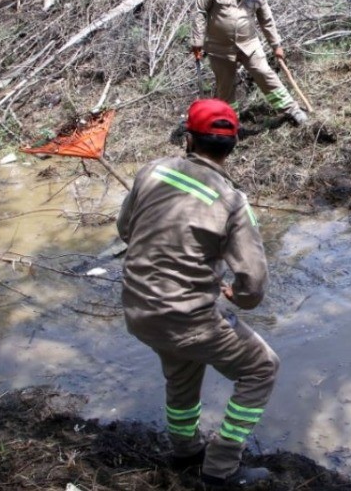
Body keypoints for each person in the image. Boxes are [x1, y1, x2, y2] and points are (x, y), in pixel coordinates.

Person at [117, 98, 279, 489]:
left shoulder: (152, 171)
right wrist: (236, 297)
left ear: (188, 139)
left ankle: (185, 449)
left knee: (181, 371)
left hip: (139, 309)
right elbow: (253, 284)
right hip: (188, 315)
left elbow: (126, 230)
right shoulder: (233, 201)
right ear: (233, 145)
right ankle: (220, 468)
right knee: (262, 367)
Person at [191, 0, 309, 126]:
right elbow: (200, 10)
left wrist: (276, 45)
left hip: (249, 45)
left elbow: (266, 21)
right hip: (220, 48)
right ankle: (230, 123)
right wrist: (197, 40)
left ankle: (292, 110)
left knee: (265, 74)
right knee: (225, 88)